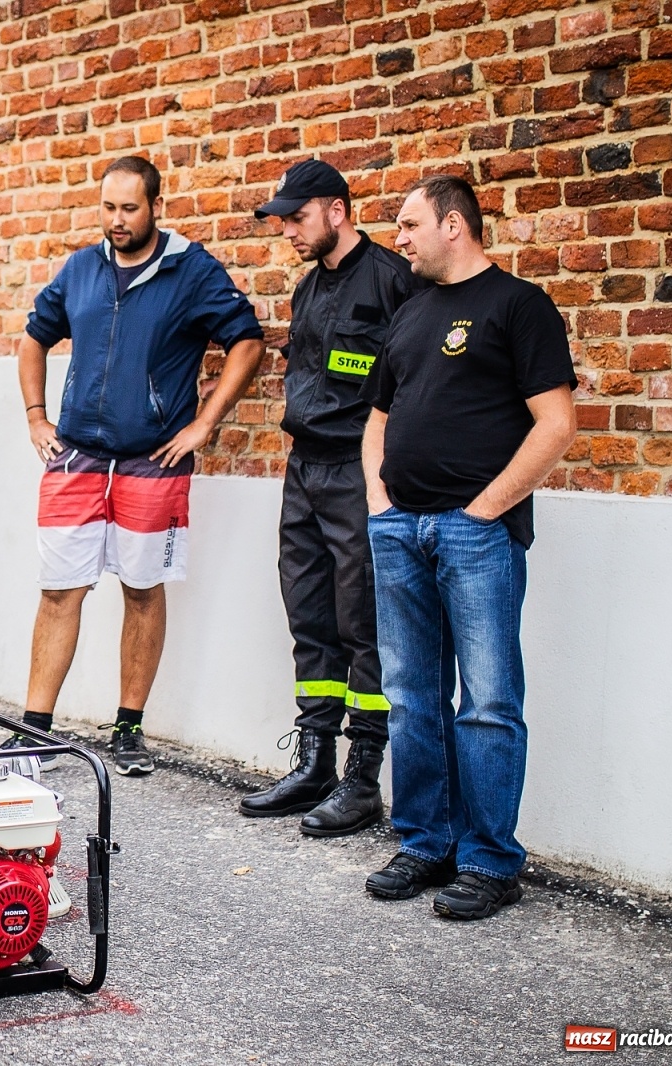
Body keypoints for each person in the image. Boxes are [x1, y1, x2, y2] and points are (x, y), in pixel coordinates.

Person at [361, 176, 576, 921]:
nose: (400, 237)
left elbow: (556, 424)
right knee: (411, 697)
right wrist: (380, 505)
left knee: (486, 703)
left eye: (411, 223)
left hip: (475, 534)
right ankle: (425, 842)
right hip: (401, 531)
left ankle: (489, 861)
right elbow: (378, 418)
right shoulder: (412, 312)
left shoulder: (519, 307)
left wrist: (485, 511)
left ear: (455, 225)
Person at [15, 156, 265, 777]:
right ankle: (34, 729)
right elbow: (33, 337)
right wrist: (35, 416)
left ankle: (128, 728)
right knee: (58, 591)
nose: (117, 221)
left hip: (152, 459)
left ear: (156, 205)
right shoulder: (81, 267)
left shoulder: (190, 270)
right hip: (74, 454)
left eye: (129, 208)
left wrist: (204, 423)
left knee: (141, 589)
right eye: (108, 208)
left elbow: (247, 340)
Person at [241, 160, 421, 836]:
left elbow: (411, 385)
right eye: (282, 219)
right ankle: (315, 761)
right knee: (311, 617)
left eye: (297, 216)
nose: (287, 229)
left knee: (362, 623)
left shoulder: (394, 283)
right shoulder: (309, 288)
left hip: (357, 469)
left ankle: (361, 779)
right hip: (304, 470)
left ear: (337, 210)